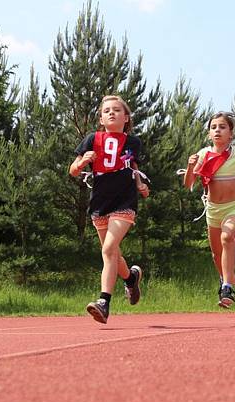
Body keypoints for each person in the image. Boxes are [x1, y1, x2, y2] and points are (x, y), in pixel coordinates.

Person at [69, 95, 150, 324]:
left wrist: (141, 184)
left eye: (117, 110)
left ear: (126, 118)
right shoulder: (92, 139)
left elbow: (133, 167)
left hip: (124, 199)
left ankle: (104, 302)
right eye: (107, 111)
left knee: (108, 249)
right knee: (113, 253)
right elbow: (73, 171)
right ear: (101, 118)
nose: (111, 113)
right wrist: (83, 162)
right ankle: (131, 278)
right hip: (100, 200)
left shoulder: (133, 142)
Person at [182, 112, 235, 308]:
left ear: (231, 133)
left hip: (233, 207)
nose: (217, 130)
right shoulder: (203, 155)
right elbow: (188, 184)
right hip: (212, 210)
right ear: (209, 133)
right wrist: (190, 165)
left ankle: (227, 286)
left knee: (227, 237)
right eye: (213, 127)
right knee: (216, 255)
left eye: (222, 127)